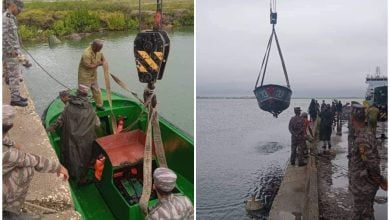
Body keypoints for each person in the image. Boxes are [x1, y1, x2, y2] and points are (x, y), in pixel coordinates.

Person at [3, 105, 69, 217]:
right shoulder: (8, 154)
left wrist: (12, 144)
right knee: (26, 168)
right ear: (11, 126)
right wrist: (59, 167)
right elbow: (34, 160)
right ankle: (11, 212)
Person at [50, 84, 100, 185]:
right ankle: (81, 179)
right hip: (85, 141)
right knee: (84, 158)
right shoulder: (90, 109)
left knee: (71, 156)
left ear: (77, 93)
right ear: (86, 96)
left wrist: (53, 127)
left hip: (70, 139)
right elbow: (97, 124)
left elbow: (61, 119)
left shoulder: (69, 106)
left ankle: (70, 174)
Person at [349, 103, 387, 219]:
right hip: (366, 183)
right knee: (366, 212)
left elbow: (371, 163)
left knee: (362, 215)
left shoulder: (361, 139)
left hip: (363, 185)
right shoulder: (369, 133)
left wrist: (380, 179)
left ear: (352, 118)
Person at [3, 0, 28, 107]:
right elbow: (3, 36)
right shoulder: (5, 18)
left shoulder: (11, 17)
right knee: (14, 75)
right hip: (10, 53)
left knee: (17, 73)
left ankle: (17, 95)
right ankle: (15, 99)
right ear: (13, 6)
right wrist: (12, 50)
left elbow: (12, 36)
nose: (20, 11)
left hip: (14, 51)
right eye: (19, 9)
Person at [78, 39, 107, 111]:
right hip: (84, 76)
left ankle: (99, 106)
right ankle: (82, 108)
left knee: (97, 91)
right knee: (83, 93)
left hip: (93, 76)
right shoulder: (86, 53)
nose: (100, 50)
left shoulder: (98, 51)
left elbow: (103, 59)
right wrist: (99, 64)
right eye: (99, 48)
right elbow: (88, 66)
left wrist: (104, 62)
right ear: (95, 47)